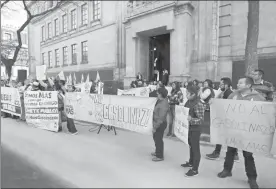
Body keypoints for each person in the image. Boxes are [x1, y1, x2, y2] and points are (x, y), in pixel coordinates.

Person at [217, 76, 265, 189]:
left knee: (248, 155)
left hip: (248, 132)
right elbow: (224, 108)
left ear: (248, 85)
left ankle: (252, 178)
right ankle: (227, 170)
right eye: (238, 83)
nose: (237, 85)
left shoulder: (258, 98)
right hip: (233, 130)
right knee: (230, 151)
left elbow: (264, 114)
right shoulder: (233, 95)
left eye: (240, 83)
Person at [205, 77, 239, 161]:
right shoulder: (224, 92)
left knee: (224, 136)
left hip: (227, 118)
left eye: (221, 84)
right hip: (224, 117)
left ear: (226, 85)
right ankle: (231, 154)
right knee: (222, 136)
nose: (219, 86)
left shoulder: (229, 93)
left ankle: (221, 153)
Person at [181, 85, 206, 177]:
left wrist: (191, 119)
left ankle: (195, 169)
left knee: (195, 149)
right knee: (191, 146)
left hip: (195, 129)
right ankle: (191, 162)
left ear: (193, 94)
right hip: (189, 128)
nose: (186, 95)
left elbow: (201, 120)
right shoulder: (189, 101)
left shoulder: (198, 104)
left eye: (187, 93)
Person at [151, 87, 170, 162]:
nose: (157, 94)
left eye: (158, 93)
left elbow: (160, 118)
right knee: (156, 138)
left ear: (161, 94)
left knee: (158, 139)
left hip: (160, 124)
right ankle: (157, 151)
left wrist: (155, 127)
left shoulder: (163, 104)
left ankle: (160, 156)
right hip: (157, 122)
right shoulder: (160, 101)